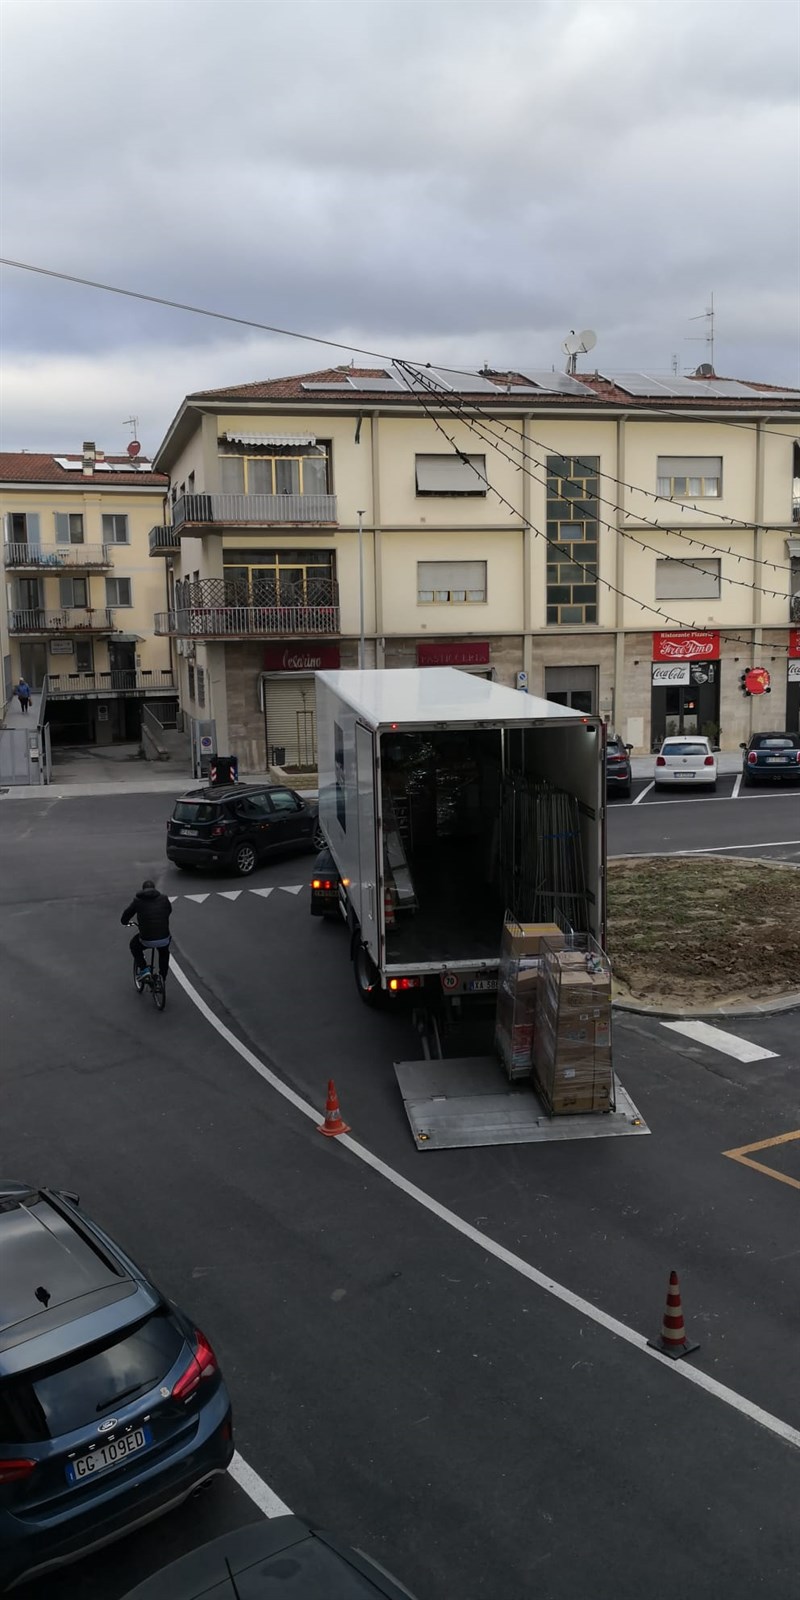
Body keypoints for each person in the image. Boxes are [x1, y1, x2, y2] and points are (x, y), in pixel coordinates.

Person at [121, 879, 172, 981]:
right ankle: (162, 976)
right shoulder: (164, 899)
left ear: (143, 890)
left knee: (134, 946)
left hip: (146, 939)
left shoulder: (138, 901)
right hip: (164, 938)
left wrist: (125, 922)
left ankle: (144, 969)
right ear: (154, 889)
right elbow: (169, 911)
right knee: (164, 952)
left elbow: (126, 915)